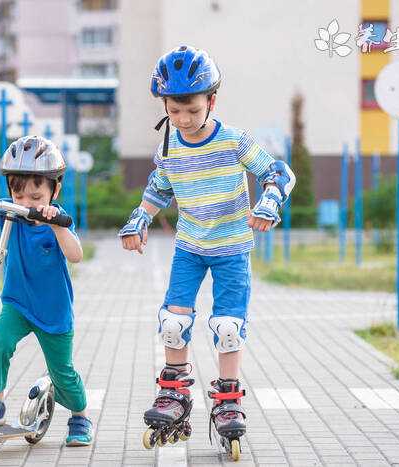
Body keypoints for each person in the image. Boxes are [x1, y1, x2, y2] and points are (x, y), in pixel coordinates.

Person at [118, 45, 296, 446]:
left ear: (211, 101)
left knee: (228, 327)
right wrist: (139, 218)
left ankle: (228, 398)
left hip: (232, 247)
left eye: (193, 111)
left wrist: (269, 202)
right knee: (173, 322)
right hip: (190, 247)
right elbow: (158, 189)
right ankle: (174, 393)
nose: (182, 119)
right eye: (174, 111)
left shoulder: (234, 141)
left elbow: (279, 173)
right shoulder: (169, 147)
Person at [0, 135, 93, 446]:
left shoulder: (58, 220)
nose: (27, 204)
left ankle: (80, 417)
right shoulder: (10, 213)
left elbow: (76, 255)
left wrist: (58, 225)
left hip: (53, 311)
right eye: (19, 196)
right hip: (17, 304)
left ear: (54, 190)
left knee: (63, 373)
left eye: (35, 197)